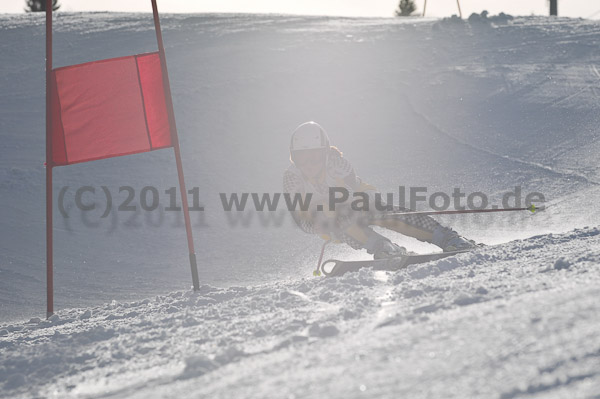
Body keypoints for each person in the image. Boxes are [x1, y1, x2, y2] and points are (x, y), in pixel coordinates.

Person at [283, 121, 476, 259]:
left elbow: (354, 192)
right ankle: (384, 247)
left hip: (355, 201)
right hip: (328, 221)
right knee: (338, 220)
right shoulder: (293, 179)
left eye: (314, 157)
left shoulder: (338, 164)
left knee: (381, 212)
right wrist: (318, 225)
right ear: (294, 158)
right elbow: (300, 219)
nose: (308, 165)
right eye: (301, 158)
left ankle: (447, 238)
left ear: (325, 154)